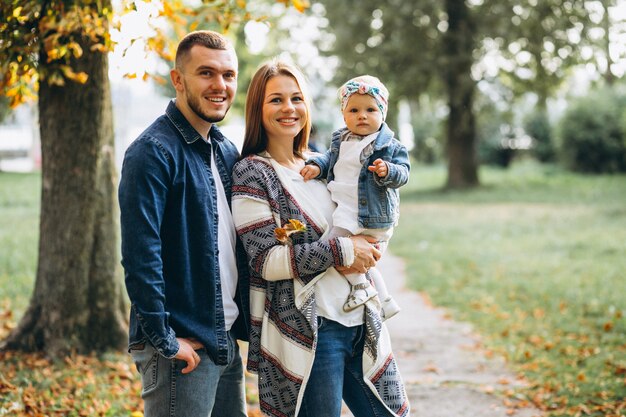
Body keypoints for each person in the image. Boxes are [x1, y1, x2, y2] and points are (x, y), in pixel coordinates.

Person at [231, 60, 410, 417]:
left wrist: (373, 247)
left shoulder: (324, 163)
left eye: (296, 98)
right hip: (313, 331)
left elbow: (376, 212)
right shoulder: (252, 172)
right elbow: (267, 261)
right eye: (276, 100)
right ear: (257, 108)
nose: (289, 108)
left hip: (362, 320)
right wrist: (344, 250)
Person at [118, 30, 250, 417]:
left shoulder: (225, 149)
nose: (219, 85)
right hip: (181, 344)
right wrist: (165, 339)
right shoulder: (152, 152)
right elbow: (142, 257)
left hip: (223, 338)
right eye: (206, 73)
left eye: (228, 75)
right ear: (178, 80)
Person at [301, 75, 410, 319]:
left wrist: (387, 170)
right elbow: (329, 158)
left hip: (368, 215)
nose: (362, 115)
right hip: (348, 211)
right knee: (351, 258)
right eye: (354, 110)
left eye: (370, 109)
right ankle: (384, 299)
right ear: (344, 114)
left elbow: (403, 173)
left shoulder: (389, 146)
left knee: (332, 250)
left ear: (383, 112)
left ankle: (362, 287)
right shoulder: (342, 141)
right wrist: (317, 166)